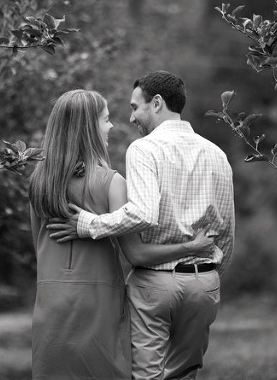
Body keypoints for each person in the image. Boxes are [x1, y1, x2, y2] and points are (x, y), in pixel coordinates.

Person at [47, 71, 235, 380]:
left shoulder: (144, 148)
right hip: (204, 281)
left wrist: (90, 224)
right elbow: (226, 228)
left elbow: (143, 213)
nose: (132, 117)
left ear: (157, 103)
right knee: (186, 372)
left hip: (154, 283)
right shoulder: (217, 154)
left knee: (148, 375)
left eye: (136, 107)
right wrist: (211, 273)